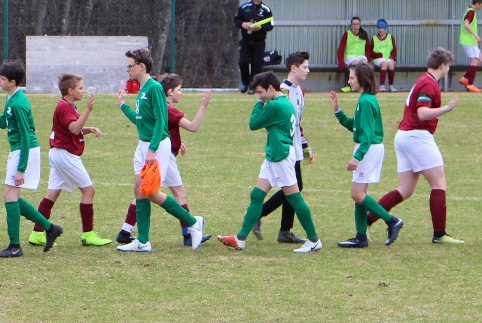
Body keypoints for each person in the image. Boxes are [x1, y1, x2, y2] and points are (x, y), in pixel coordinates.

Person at [217, 72, 321, 253]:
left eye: (260, 93)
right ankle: (240, 238)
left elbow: (253, 123)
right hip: (274, 154)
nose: (259, 97)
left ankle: (313, 240)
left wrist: (259, 104)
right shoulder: (283, 103)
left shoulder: (275, 106)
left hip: (280, 156)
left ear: (271, 88)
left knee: (294, 197)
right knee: (257, 195)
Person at [369, 47, 464, 244]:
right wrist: (446, 108)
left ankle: (367, 220)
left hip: (404, 136)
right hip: (417, 136)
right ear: (443, 66)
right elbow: (422, 113)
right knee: (439, 184)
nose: (449, 70)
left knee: (405, 189)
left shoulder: (424, 80)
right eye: (449, 67)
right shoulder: (429, 84)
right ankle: (440, 234)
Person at [115, 48, 206, 253]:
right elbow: (141, 121)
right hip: (144, 144)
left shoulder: (154, 87)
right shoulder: (142, 89)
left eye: (130, 65)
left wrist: (152, 149)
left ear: (141, 66)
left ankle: (192, 221)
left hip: (156, 146)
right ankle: (143, 241)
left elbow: (160, 121)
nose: (127, 69)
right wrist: (123, 106)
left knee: (151, 191)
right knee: (139, 190)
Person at [0, 60, 62, 258]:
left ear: (13, 82)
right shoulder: (11, 99)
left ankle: (15, 246)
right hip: (18, 151)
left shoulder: (18, 104)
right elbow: (2, 123)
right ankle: (50, 228)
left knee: (10, 196)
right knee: (12, 197)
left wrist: (21, 168)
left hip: (24, 151)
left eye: (2, 78)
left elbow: (26, 136)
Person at [29, 73, 112, 247]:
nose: (83, 91)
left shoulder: (68, 106)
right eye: (80, 88)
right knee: (89, 191)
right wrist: (88, 110)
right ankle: (88, 234)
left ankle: (37, 233)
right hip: (65, 155)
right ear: (70, 90)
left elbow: (71, 128)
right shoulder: (64, 107)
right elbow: (74, 129)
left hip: (59, 153)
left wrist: (88, 129)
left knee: (52, 194)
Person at [330, 60, 403, 249]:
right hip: (368, 148)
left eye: (352, 77)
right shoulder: (366, 100)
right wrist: (338, 112)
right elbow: (355, 127)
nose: (349, 81)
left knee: (357, 193)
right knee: (360, 193)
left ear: (362, 79)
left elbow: (368, 135)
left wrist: (358, 156)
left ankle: (391, 220)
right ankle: (361, 236)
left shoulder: (366, 101)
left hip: (369, 150)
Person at [258, 51, 314, 243]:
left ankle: (285, 231)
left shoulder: (300, 92)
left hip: (296, 148)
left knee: (294, 186)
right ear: (293, 68)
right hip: (284, 149)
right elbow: (269, 118)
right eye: (305, 66)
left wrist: (305, 145)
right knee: (293, 187)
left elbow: (297, 122)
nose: (308, 70)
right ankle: (261, 215)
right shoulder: (282, 91)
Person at [236, 0, 274, 91]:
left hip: (259, 42)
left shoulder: (266, 10)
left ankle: (252, 86)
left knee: (256, 65)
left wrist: (260, 27)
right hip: (246, 41)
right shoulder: (244, 7)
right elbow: (237, 21)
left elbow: (270, 25)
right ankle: (245, 83)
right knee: (243, 61)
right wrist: (243, 24)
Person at [458, 0, 482, 92]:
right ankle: (470, 85)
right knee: (474, 61)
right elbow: (466, 24)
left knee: (480, 59)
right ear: (478, 3)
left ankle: (465, 79)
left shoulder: (470, 10)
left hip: (471, 41)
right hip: (468, 40)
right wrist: (476, 36)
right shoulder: (471, 12)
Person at [336, 16, 370, 89]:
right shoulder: (347, 34)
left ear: (360, 25)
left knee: (364, 62)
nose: (355, 26)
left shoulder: (364, 34)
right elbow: (341, 49)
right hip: (350, 56)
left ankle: (364, 84)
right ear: (351, 25)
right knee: (355, 63)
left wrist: (369, 60)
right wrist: (341, 63)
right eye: (354, 24)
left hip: (361, 56)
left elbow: (368, 48)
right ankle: (350, 85)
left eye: (357, 24)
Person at [367, 19, 398, 90]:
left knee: (391, 64)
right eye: (379, 28)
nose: (380, 30)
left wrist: (392, 57)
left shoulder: (390, 37)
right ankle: (382, 86)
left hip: (388, 58)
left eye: (382, 28)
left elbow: (394, 49)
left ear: (385, 28)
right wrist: (377, 55)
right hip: (378, 59)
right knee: (384, 64)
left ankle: (391, 85)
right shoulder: (374, 38)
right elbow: (370, 51)